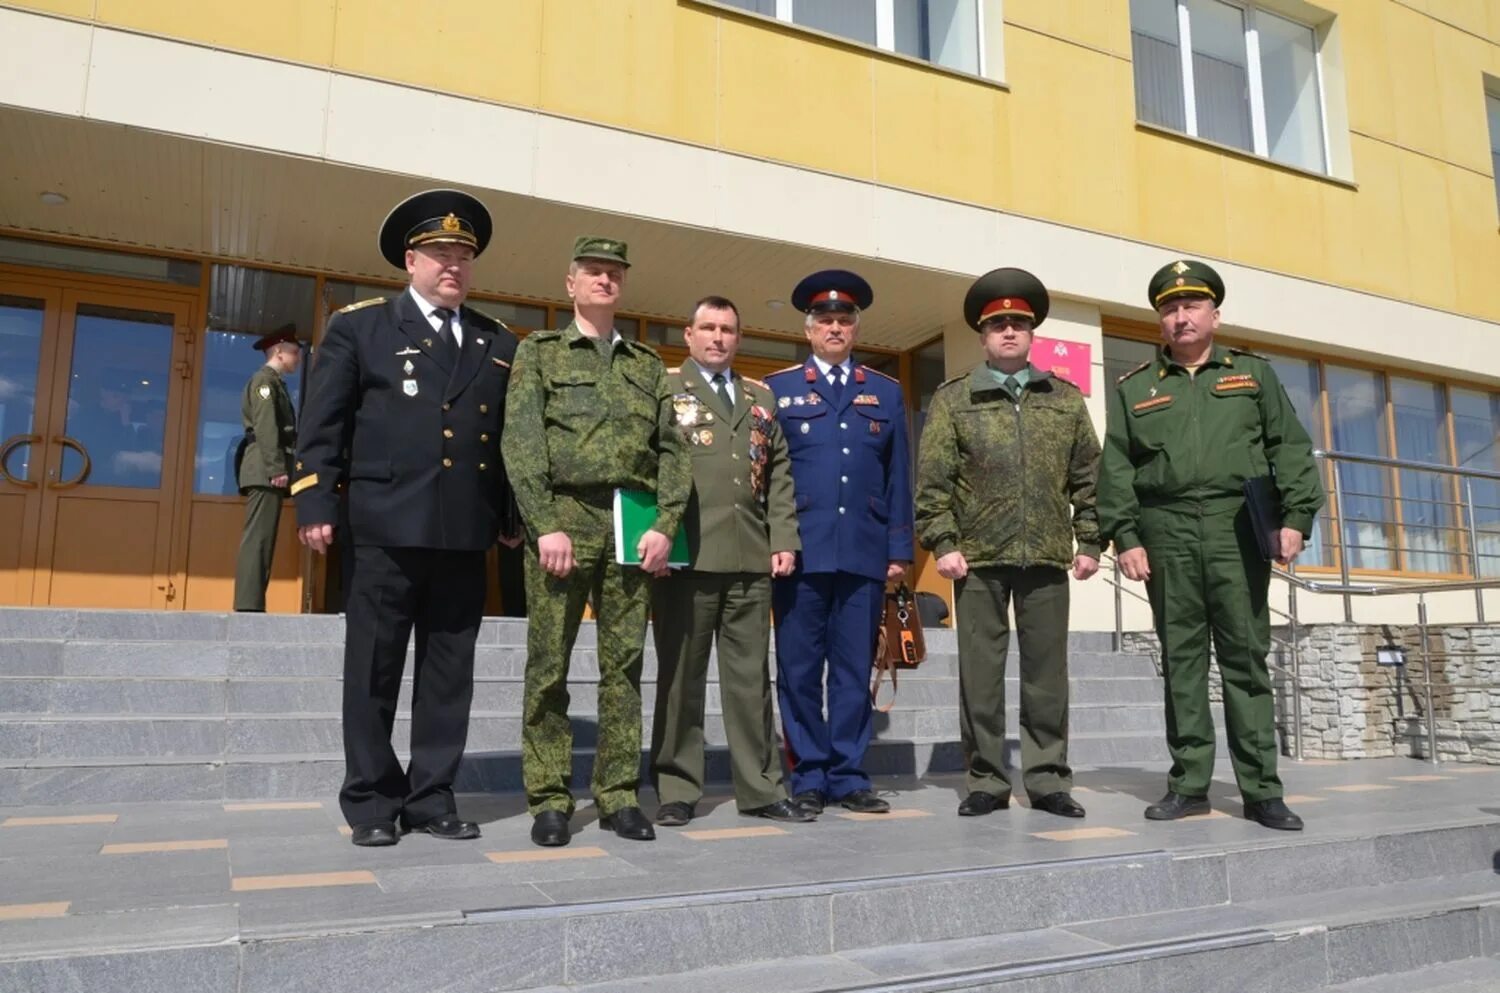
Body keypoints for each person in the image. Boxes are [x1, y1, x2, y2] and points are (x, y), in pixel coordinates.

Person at [291, 189, 520, 847]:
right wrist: (315, 501)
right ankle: (370, 800)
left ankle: (431, 797)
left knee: (449, 674)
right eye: (441, 253)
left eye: (464, 255)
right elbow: (322, 424)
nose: (454, 264)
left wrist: (507, 513)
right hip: (384, 526)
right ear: (411, 260)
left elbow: (501, 437)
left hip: (462, 532)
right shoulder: (359, 327)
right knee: (374, 669)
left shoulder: (494, 339)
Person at [1097, 259, 1325, 832]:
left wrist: (1296, 516)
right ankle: (1190, 783)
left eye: (1191, 306)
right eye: (1170, 309)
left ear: (1214, 315)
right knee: (1182, 662)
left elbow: (1290, 447)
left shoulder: (1253, 376)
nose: (1181, 316)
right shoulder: (1137, 389)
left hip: (1234, 528)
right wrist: (1125, 535)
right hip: (1165, 528)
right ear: (1160, 323)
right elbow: (1118, 467)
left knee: (1246, 659)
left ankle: (1262, 791)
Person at [502, 236, 692, 847]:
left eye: (614, 273)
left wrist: (665, 525)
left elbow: (672, 451)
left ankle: (616, 795)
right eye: (593, 271)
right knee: (549, 666)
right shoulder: (541, 353)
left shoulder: (645, 365)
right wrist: (543, 522)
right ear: (571, 283)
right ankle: (550, 798)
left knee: (624, 669)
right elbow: (522, 441)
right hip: (565, 521)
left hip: (630, 527)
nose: (605, 281)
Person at [914, 268, 1101, 819]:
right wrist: (943, 541)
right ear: (982, 336)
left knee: (1047, 676)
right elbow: (933, 484)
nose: (1010, 332)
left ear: (1033, 332)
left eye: (1019, 323)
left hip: (1045, 555)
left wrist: (1089, 539)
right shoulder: (955, 399)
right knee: (980, 675)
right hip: (977, 560)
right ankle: (986, 780)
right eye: (998, 325)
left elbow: (1089, 476)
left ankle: (1047, 779)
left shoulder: (1064, 399)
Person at [650, 295, 812, 827]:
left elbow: (780, 471)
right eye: (708, 328)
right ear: (688, 335)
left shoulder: (759, 395)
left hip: (749, 556)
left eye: (728, 330)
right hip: (687, 557)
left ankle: (762, 788)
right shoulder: (665, 388)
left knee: (751, 682)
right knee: (680, 679)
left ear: (738, 338)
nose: (718, 337)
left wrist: (782, 537)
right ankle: (676, 786)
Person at [765, 270, 913, 815]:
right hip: (799, 551)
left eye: (843, 320)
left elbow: (899, 475)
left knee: (853, 669)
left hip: (863, 551)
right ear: (808, 330)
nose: (834, 327)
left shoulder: (887, 391)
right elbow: (768, 475)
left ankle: (849, 773)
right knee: (800, 668)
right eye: (824, 320)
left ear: (855, 329)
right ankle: (807, 773)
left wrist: (899, 550)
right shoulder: (779, 389)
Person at [233, 327, 302, 612]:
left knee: (264, 538)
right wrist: (276, 468)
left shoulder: (274, 382)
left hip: (265, 467)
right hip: (264, 468)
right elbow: (266, 427)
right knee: (259, 538)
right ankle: (249, 605)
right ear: (279, 352)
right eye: (295, 353)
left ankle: (253, 603)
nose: (298, 359)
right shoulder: (264, 382)